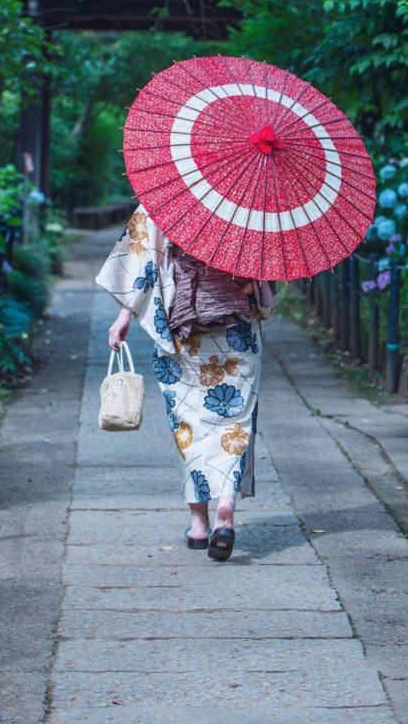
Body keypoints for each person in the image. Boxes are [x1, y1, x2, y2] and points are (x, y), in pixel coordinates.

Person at [96, 204, 275, 561]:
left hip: (184, 327)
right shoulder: (257, 205)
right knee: (235, 422)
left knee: (189, 422)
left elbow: (142, 260)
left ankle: (198, 524)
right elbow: (268, 279)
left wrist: (124, 316)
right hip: (237, 326)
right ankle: (226, 503)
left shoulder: (169, 194)